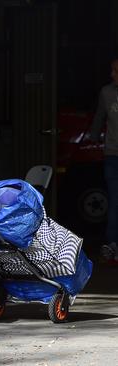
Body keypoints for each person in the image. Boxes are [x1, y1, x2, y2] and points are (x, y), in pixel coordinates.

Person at [90, 58, 118, 261]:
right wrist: (93, 138)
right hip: (113, 153)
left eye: (116, 71)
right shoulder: (107, 93)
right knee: (115, 200)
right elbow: (100, 118)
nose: (112, 75)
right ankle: (112, 244)